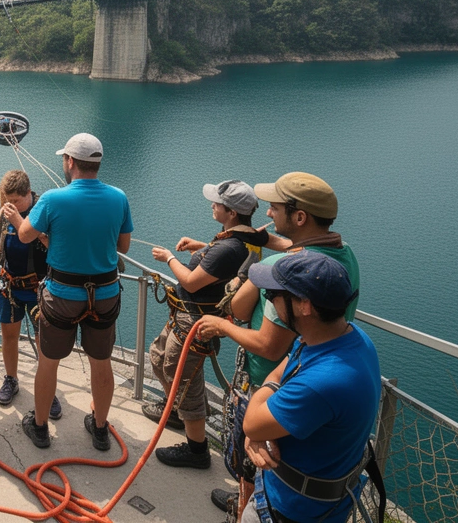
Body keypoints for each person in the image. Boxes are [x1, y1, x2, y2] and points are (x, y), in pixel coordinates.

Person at [193, 171, 360, 516]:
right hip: (308, 374)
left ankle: (246, 507)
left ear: (299, 217)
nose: (268, 213)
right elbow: (303, 250)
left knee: (255, 462)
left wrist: (221, 326)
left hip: (269, 384)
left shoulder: (285, 271)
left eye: (275, 208)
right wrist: (266, 242)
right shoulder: (344, 257)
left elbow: (261, 336)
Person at [1, 133, 132, 451]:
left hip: (62, 294)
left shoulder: (53, 200)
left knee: (49, 361)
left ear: (71, 162)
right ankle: (100, 429)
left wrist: (19, 217)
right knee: (101, 362)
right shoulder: (119, 198)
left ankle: (41, 427)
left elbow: (26, 234)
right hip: (104, 292)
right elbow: (122, 247)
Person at [239, 250, 379, 523]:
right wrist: (259, 428)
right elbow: (290, 361)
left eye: (272, 295)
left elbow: (251, 423)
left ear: (304, 306)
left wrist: (257, 430)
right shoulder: (347, 337)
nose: (269, 299)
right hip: (318, 504)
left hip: (288, 510)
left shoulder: (325, 381)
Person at [147, 180, 269, 470]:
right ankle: (180, 413)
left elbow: (189, 280)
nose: (212, 205)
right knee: (158, 358)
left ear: (231, 212)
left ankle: (196, 449)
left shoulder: (228, 247)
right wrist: (202, 247)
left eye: (217, 203)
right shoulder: (239, 239)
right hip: (185, 316)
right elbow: (225, 259)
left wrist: (169, 258)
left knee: (185, 381)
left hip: (194, 321)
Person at [0, 170, 60, 418]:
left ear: (29, 193)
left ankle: (48, 390)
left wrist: (18, 220)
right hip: (10, 286)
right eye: (7, 200)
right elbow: (0, 247)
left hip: (40, 289)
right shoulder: (6, 213)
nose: (11, 205)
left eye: (16, 200)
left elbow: (54, 246)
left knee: (44, 344)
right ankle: (11, 379)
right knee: (9, 336)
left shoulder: (43, 211)